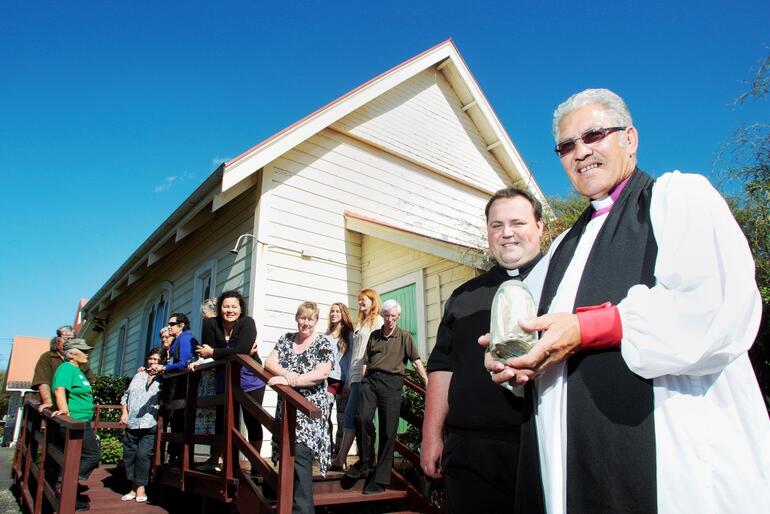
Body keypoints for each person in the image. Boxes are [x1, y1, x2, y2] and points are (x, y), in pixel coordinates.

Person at [486, 88, 770, 513]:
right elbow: (540, 345)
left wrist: (589, 328)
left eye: (594, 135)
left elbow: (713, 308)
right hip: (566, 468)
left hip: (671, 452)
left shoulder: (679, 198)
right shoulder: (561, 249)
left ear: (630, 139)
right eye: (567, 146)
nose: (581, 152)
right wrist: (514, 364)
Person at [421, 187, 546, 512]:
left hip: (540, 445)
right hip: (470, 451)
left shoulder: (563, 284)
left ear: (539, 228)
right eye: (496, 225)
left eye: (518, 222)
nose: (507, 233)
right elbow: (442, 367)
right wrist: (431, 436)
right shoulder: (464, 296)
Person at [346, 299, 428, 494]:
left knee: (388, 431)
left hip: (392, 384)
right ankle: (365, 461)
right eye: (387, 315)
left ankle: (381, 480)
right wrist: (358, 381)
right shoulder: (374, 336)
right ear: (382, 316)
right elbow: (365, 363)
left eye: (393, 316)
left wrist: (427, 382)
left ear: (398, 317)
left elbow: (416, 362)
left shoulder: (405, 337)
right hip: (371, 381)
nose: (390, 319)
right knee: (361, 418)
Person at [266, 301, 334, 514]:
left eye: (310, 319)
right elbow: (269, 362)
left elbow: (322, 373)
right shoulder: (286, 339)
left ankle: (303, 510)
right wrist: (286, 374)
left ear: (316, 321)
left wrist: (292, 381)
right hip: (287, 405)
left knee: (301, 455)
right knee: (290, 454)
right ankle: (292, 504)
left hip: (309, 408)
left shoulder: (323, 342)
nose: (305, 323)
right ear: (297, 318)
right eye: (302, 318)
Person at [193, 290, 265, 470]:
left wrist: (216, 352)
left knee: (252, 420)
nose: (230, 310)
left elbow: (240, 348)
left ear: (241, 309)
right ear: (220, 308)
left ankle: (255, 463)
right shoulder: (210, 324)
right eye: (226, 306)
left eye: (234, 306)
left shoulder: (248, 322)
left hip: (250, 378)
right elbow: (209, 351)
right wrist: (230, 352)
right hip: (224, 376)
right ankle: (221, 460)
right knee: (223, 420)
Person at [333, 289, 383, 471]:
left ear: (373, 301)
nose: (360, 303)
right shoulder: (360, 322)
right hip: (355, 375)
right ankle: (366, 459)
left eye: (364, 300)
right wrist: (348, 380)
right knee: (357, 417)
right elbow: (355, 352)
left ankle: (342, 458)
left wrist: (364, 373)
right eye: (359, 300)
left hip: (365, 375)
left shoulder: (377, 322)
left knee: (354, 416)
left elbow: (376, 350)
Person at [51, 338, 101, 511]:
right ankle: (63, 486)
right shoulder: (66, 368)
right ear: (71, 354)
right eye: (83, 350)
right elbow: (59, 390)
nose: (87, 353)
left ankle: (67, 489)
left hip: (84, 421)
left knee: (82, 457)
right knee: (92, 456)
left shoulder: (78, 370)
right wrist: (65, 411)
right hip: (75, 422)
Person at [150, 313, 197, 464]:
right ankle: (173, 455)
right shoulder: (178, 339)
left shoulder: (186, 338)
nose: (169, 327)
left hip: (184, 386)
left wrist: (164, 368)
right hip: (176, 387)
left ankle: (179, 457)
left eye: (172, 324)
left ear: (181, 325)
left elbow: (184, 363)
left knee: (180, 420)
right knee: (174, 420)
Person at [120, 348, 162, 504]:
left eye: (157, 360)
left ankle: (140, 488)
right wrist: (124, 412)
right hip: (131, 423)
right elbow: (126, 395)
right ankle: (133, 486)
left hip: (148, 423)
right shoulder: (138, 375)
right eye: (151, 358)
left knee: (143, 456)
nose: (153, 362)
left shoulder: (163, 377)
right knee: (129, 456)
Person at [32, 325, 94, 412]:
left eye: (72, 338)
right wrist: (47, 401)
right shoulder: (47, 357)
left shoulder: (79, 360)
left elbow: (91, 381)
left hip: (75, 407)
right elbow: (42, 381)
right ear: (57, 340)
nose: (69, 341)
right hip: (55, 406)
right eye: (66, 338)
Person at [326, 302, 353, 470]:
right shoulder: (326, 335)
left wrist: (349, 383)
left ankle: (339, 454)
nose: (333, 314)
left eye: (337, 311)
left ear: (343, 314)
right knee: (324, 417)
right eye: (332, 311)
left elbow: (351, 361)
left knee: (342, 419)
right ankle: (327, 451)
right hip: (328, 382)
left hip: (343, 382)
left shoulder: (349, 335)